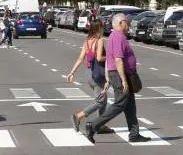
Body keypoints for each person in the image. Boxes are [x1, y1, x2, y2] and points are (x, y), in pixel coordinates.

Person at [85, 13, 150, 144]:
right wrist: (124, 80)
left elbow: (109, 59)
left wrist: (109, 78)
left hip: (119, 74)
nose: (129, 24)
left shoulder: (114, 36)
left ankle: (134, 134)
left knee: (130, 105)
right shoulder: (118, 37)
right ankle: (93, 125)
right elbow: (118, 60)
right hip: (121, 75)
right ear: (121, 23)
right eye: (127, 22)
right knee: (120, 104)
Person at [64, 20, 114, 134]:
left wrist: (72, 72)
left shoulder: (87, 41)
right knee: (100, 101)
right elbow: (99, 58)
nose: (103, 29)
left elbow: (80, 58)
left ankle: (100, 125)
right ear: (99, 28)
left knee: (103, 100)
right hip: (99, 75)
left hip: (89, 74)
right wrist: (110, 57)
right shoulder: (99, 41)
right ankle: (78, 116)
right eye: (102, 27)